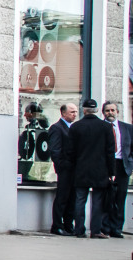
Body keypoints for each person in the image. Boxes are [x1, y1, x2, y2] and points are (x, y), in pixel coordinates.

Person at [65, 98, 115, 238]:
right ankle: (96, 231)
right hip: (100, 170)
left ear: (84, 110)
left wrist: (74, 166)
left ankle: (79, 230)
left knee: (80, 200)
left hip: (81, 169)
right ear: (97, 110)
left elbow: (70, 151)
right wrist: (112, 172)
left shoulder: (76, 127)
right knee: (97, 202)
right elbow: (110, 151)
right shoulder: (105, 127)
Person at [101, 101, 130, 238]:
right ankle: (105, 227)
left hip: (122, 166)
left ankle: (117, 228)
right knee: (106, 197)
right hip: (106, 165)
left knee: (120, 198)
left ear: (117, 112)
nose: (110, 113)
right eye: (107, 110)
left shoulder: (127, 128)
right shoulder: (100, 127)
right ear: (103, 113)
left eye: (113, 110)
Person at [48, 103, 78, 235]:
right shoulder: (57, 128)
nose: (74, 114)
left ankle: (68, 224)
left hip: (75, 169)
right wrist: (61, 165)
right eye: (72, 112)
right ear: (63, 113)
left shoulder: (75, 128)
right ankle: (57, 225)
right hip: (65, 168)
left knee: (73, 198)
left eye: (76, 112)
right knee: (62, 197)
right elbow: (55, 149)